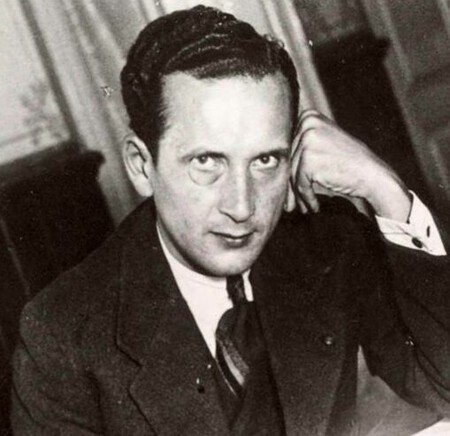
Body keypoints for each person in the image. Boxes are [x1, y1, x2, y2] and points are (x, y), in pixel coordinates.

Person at [11, 5, 450, 436]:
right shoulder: (63, 335)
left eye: (265, 160)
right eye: (206, 161)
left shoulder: (326, 242)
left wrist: (385, 189)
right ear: (142, 166)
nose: (241, 206)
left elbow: (442, 385)